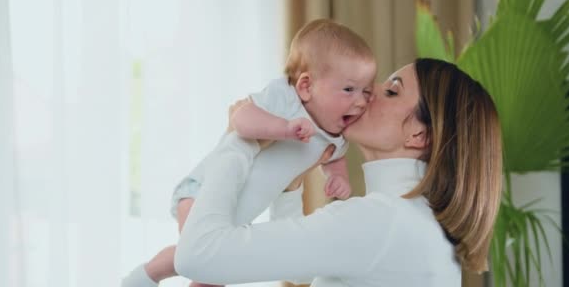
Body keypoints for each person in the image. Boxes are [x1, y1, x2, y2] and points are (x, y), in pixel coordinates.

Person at [174, 58, 503, 286]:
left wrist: (239, 139)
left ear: (419, 135)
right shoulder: (411, 218)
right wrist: (291, 188)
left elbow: (198, 255)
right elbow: (309, 267)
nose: (367, 91)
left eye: (391, 90)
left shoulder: (382, 220)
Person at [121, 19, 377, 287]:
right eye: (349, 89)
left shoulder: (337, 135)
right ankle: (144, 277)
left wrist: (339, 179)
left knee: (212, 270)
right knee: (196, 258)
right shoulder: (286, 99)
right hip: (204, 191)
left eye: (366, 92)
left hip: (236, 217)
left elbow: (333, 159)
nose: (360, 101)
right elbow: (240, 119)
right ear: (306, 86)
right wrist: (285, 128)